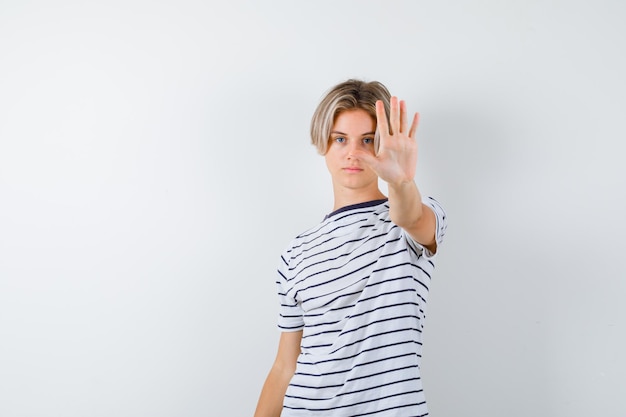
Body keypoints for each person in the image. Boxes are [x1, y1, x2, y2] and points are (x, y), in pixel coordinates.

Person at [254, 79, 447, 417]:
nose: (353, 153)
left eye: (368, 140)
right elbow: (285, 367)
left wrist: (401, 180)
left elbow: (411, 215)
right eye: (340, 139)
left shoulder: (406, 224)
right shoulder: (296, 252)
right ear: (323, 144)